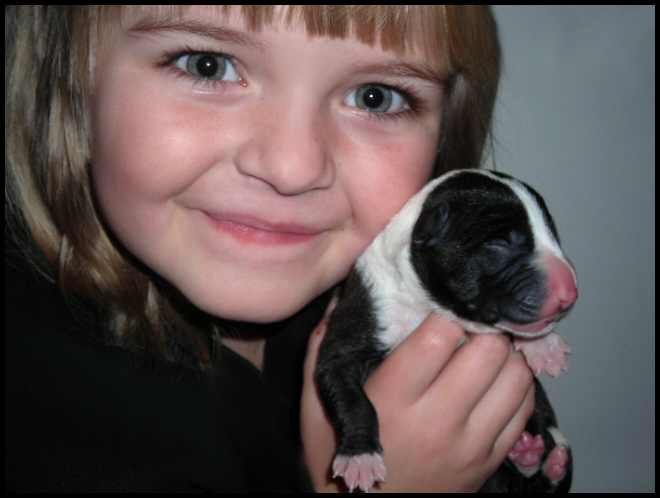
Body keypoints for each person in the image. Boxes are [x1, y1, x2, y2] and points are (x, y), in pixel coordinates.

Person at [5, 5, 535, 492]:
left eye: (376, 96)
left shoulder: (368, 321)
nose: (292, 167)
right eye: (207, 65)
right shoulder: (45, 418)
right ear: (68, 84)